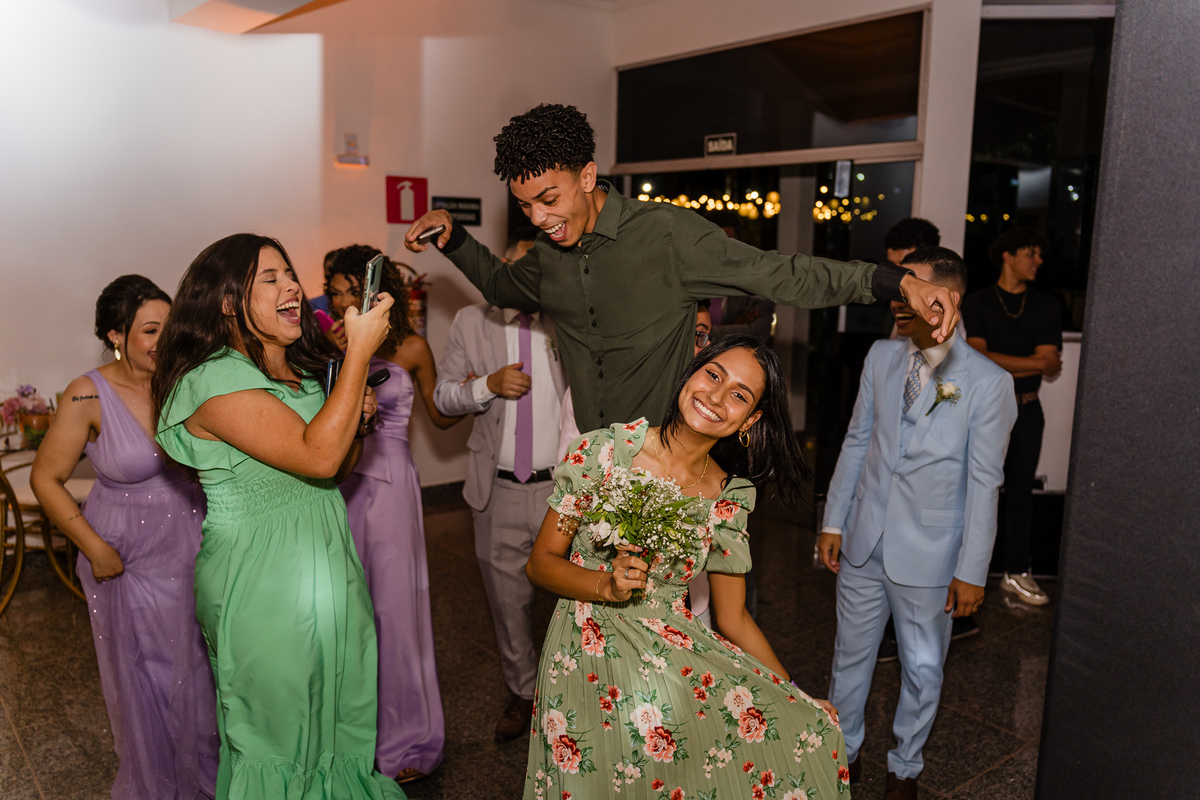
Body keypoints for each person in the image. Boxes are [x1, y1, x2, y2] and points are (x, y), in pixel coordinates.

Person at [405, 103, 960, 434]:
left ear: (588, 176)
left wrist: (894, 281)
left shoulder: (667, 235)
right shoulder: (548, 256)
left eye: (549, 199)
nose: (538, 218)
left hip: (667, 462)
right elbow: (502, 285)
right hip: (590, 459)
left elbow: (781, 273)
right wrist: (454, 238)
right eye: (525, 206)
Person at [524, 334, 849, 799]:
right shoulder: (603, 452)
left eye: (739, 394)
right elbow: (540, 564)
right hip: (580, 656)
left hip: (669, 672)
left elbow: (734, 618)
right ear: (690, 373)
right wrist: (605, 586)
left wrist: (795, 693)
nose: (716, 396)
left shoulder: (728, 499)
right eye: (712, 375)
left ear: (750, 420)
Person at [151, 234, 404, 800]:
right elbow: (318, 456)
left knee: (338, 718)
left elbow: (334, 469)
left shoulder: (301, 372)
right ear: (226, 302)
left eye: (290, 273)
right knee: (278, 735)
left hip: (327, 557)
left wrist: (357, 419)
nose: (291, 285)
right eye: (270, 278)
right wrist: (358, 355)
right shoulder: (211, 379)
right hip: (260, 577)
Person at [818, 248, 1017, 799]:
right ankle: (843, 753)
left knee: (923, 669)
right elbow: (858, 441)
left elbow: (985, 483)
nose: (899, 299)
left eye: (913, 289)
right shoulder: (881, 356)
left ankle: (904, 766)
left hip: (932, 554)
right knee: (848, 657)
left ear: (947, 299)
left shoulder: (988, 381)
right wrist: (834, 519)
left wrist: (972, 570)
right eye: (899, 288)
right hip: (863, 540)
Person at [30, 275, 219, 800]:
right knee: (150, 671)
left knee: (202, 665)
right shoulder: (86, 392)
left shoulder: (184, 380)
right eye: (150, 330)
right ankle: (161, 781)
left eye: (169, 328)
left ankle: (209, 774)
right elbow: (45, 479)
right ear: (116, 335)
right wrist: (94, 549)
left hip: (194, 536)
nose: (164, 340)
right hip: (127, 553)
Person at [326, 245, 462, 782]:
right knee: (342, 611)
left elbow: (440, 415)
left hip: (390, 490)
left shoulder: (412, 347)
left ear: (378, 294)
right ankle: (348, 736)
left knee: (394, 610)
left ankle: (405, 738)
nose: (342, 303)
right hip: (337, 483)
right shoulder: (327, 347)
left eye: (350, 291)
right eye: (334, 294)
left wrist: (482, 390)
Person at [433, 297, 569, 744]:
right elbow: (443, 397)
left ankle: (579, 690)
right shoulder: (471, 320)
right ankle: (523, 691)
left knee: (579, 598)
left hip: (564, 491)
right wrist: (486, 385)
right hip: (499, 490)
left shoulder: (567, 314)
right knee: (508, 604)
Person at [961, 229, 1062, 606]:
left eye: (1039, 254)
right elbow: (978, 358)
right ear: (1007, 255)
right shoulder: (977, 302)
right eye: (1030, 253)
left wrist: (1002, 361)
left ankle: (1016, 573)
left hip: (1028, 408)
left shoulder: (1046, 304)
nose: (1038, 261)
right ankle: (961, 570)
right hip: (984, 408)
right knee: (973, 488)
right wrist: (1032, 361)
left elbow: (1050, 364)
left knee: (1020, 493)